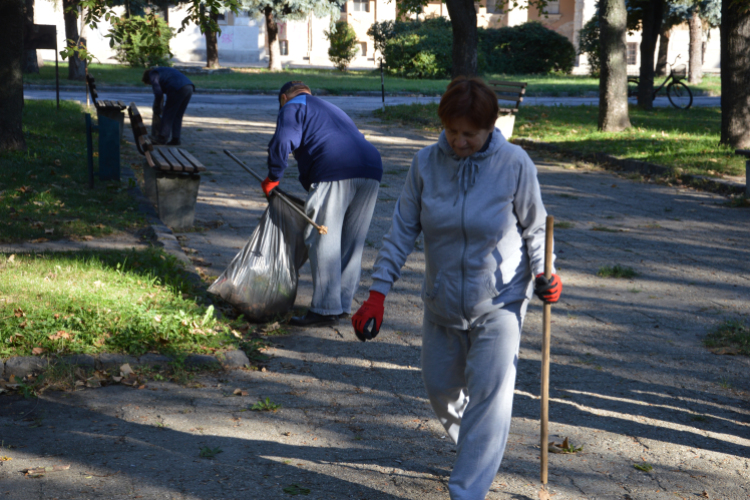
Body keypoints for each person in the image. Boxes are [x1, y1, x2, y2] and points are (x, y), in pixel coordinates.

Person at [351, 77, 562, 500]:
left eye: (470, 134)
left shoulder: (514, 164)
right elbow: (400, 231)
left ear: (490, 128)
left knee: (490, 397)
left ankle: (467, 489)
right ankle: (479, 446)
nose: (459, 141)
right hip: (442, 301)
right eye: (451, 131)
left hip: (500, 301)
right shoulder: (425, 164)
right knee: (440, 390)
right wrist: (377, 292)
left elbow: (536, 228)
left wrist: (547, 272)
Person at [262, 81, 383, 327]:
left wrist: (273, 177)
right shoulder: (329, 107)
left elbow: (283, 141)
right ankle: (341, 305)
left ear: (284, 98)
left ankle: (326, 310)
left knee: (323, 238)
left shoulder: (292, 106)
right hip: (371, 168)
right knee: (352, 241)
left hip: (334, 169)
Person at [141, 67, 195, 146]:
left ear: (147, 78)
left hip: (176, 88)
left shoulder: (152, 74)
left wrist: (157, 107)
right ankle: (176, 139)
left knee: (167, 114)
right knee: (178, 115)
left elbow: (158, 93)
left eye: (149, 83)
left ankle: (162, 138)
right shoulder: (163, 71)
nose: (151, 85)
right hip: (189, 87)